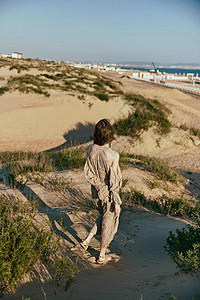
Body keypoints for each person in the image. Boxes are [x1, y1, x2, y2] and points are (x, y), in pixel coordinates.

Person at [80, 119, 122, 264]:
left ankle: (87, 240)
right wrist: (116, 201)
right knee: (108, 222)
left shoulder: (90, 149)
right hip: (108, 193)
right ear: (110, 136)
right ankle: (102, 255)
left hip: (96, 192)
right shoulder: (113, 155)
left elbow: (89, 172)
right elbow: (114, 181)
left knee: (103, 215)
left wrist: (98, 187)